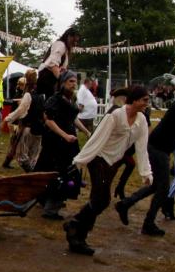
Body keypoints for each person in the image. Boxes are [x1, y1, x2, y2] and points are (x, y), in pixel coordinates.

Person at [116, 79, 175, 236]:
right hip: (158, 149)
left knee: (156, 186)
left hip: (161, 148)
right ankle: (148, 224)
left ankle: (125, 204)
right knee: (163, 188)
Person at [63, 85, 152, 255]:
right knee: (102, 199)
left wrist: (146, 172)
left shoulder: (141, 121)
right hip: (98, 159)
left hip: (113, 162)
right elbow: (97, 138)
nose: (147, 103)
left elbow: (142, 148)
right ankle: (75, 226)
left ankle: (77, 233)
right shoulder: (115, 116)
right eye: (144, 100)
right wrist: (80, 160)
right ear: (134, 100)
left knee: (98, 199)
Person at [35, 71, 89, 219]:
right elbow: (48, 120)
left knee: (66, 174)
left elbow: (72, 118)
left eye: (75, 81)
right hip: (56, 143)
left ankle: (48, 201)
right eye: (71, 81)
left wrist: (85, 131)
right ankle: (50, 208)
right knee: (59, 174)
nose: (74, 84)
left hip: (68, 142)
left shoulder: (71, 99)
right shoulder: (56, 99)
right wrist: (64, 135)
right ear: (63, 82)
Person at [37, 27, 80, 97]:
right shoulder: (60, 45)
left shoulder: (65, 48)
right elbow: (53, 65)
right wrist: (63, 81)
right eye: (74, 40)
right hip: (47, 78)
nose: (75, 44)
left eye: (77, 41)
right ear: (68, 36)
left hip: (51, 79)